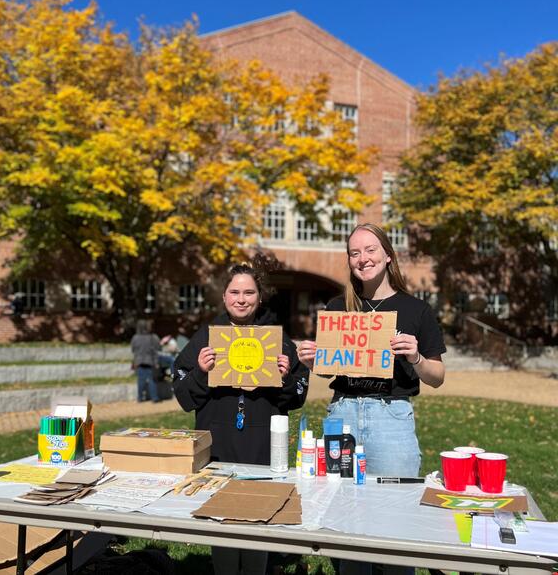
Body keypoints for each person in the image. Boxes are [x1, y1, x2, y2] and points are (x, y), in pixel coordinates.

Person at [297, 223, 445, 575]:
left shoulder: (416, 310)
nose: (363, 258)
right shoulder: (338, 306)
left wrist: (416, 358)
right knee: (346, 518)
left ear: (387, 255)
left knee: (396, 518)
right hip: (342, 411)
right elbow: (327, 370)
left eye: (370, 250)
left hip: (390, 415)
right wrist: (313, 359)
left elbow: (437, 377)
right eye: (354, 252)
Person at [173, 264, 309, 575]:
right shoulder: (206, 338)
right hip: (218, 446)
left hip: (262, 447)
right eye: (235, 292)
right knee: (221, 521)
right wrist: (200, 373)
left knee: (257, 521)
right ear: (224, 296)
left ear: (260, 298)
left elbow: (298, 395)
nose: (242, 299)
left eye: (249, 292)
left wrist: (286, 377)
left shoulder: (277, 339)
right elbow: (183, 395)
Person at [131, 319, 162, 403]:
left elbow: (133, 350)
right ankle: (154, 398)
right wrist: (156, 363)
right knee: (152, 380)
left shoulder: (135, 337)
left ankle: (140, 398)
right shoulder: (151, 337)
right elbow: (155, 350)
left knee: (141, 380)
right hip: (150, 361)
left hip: (139, 361)